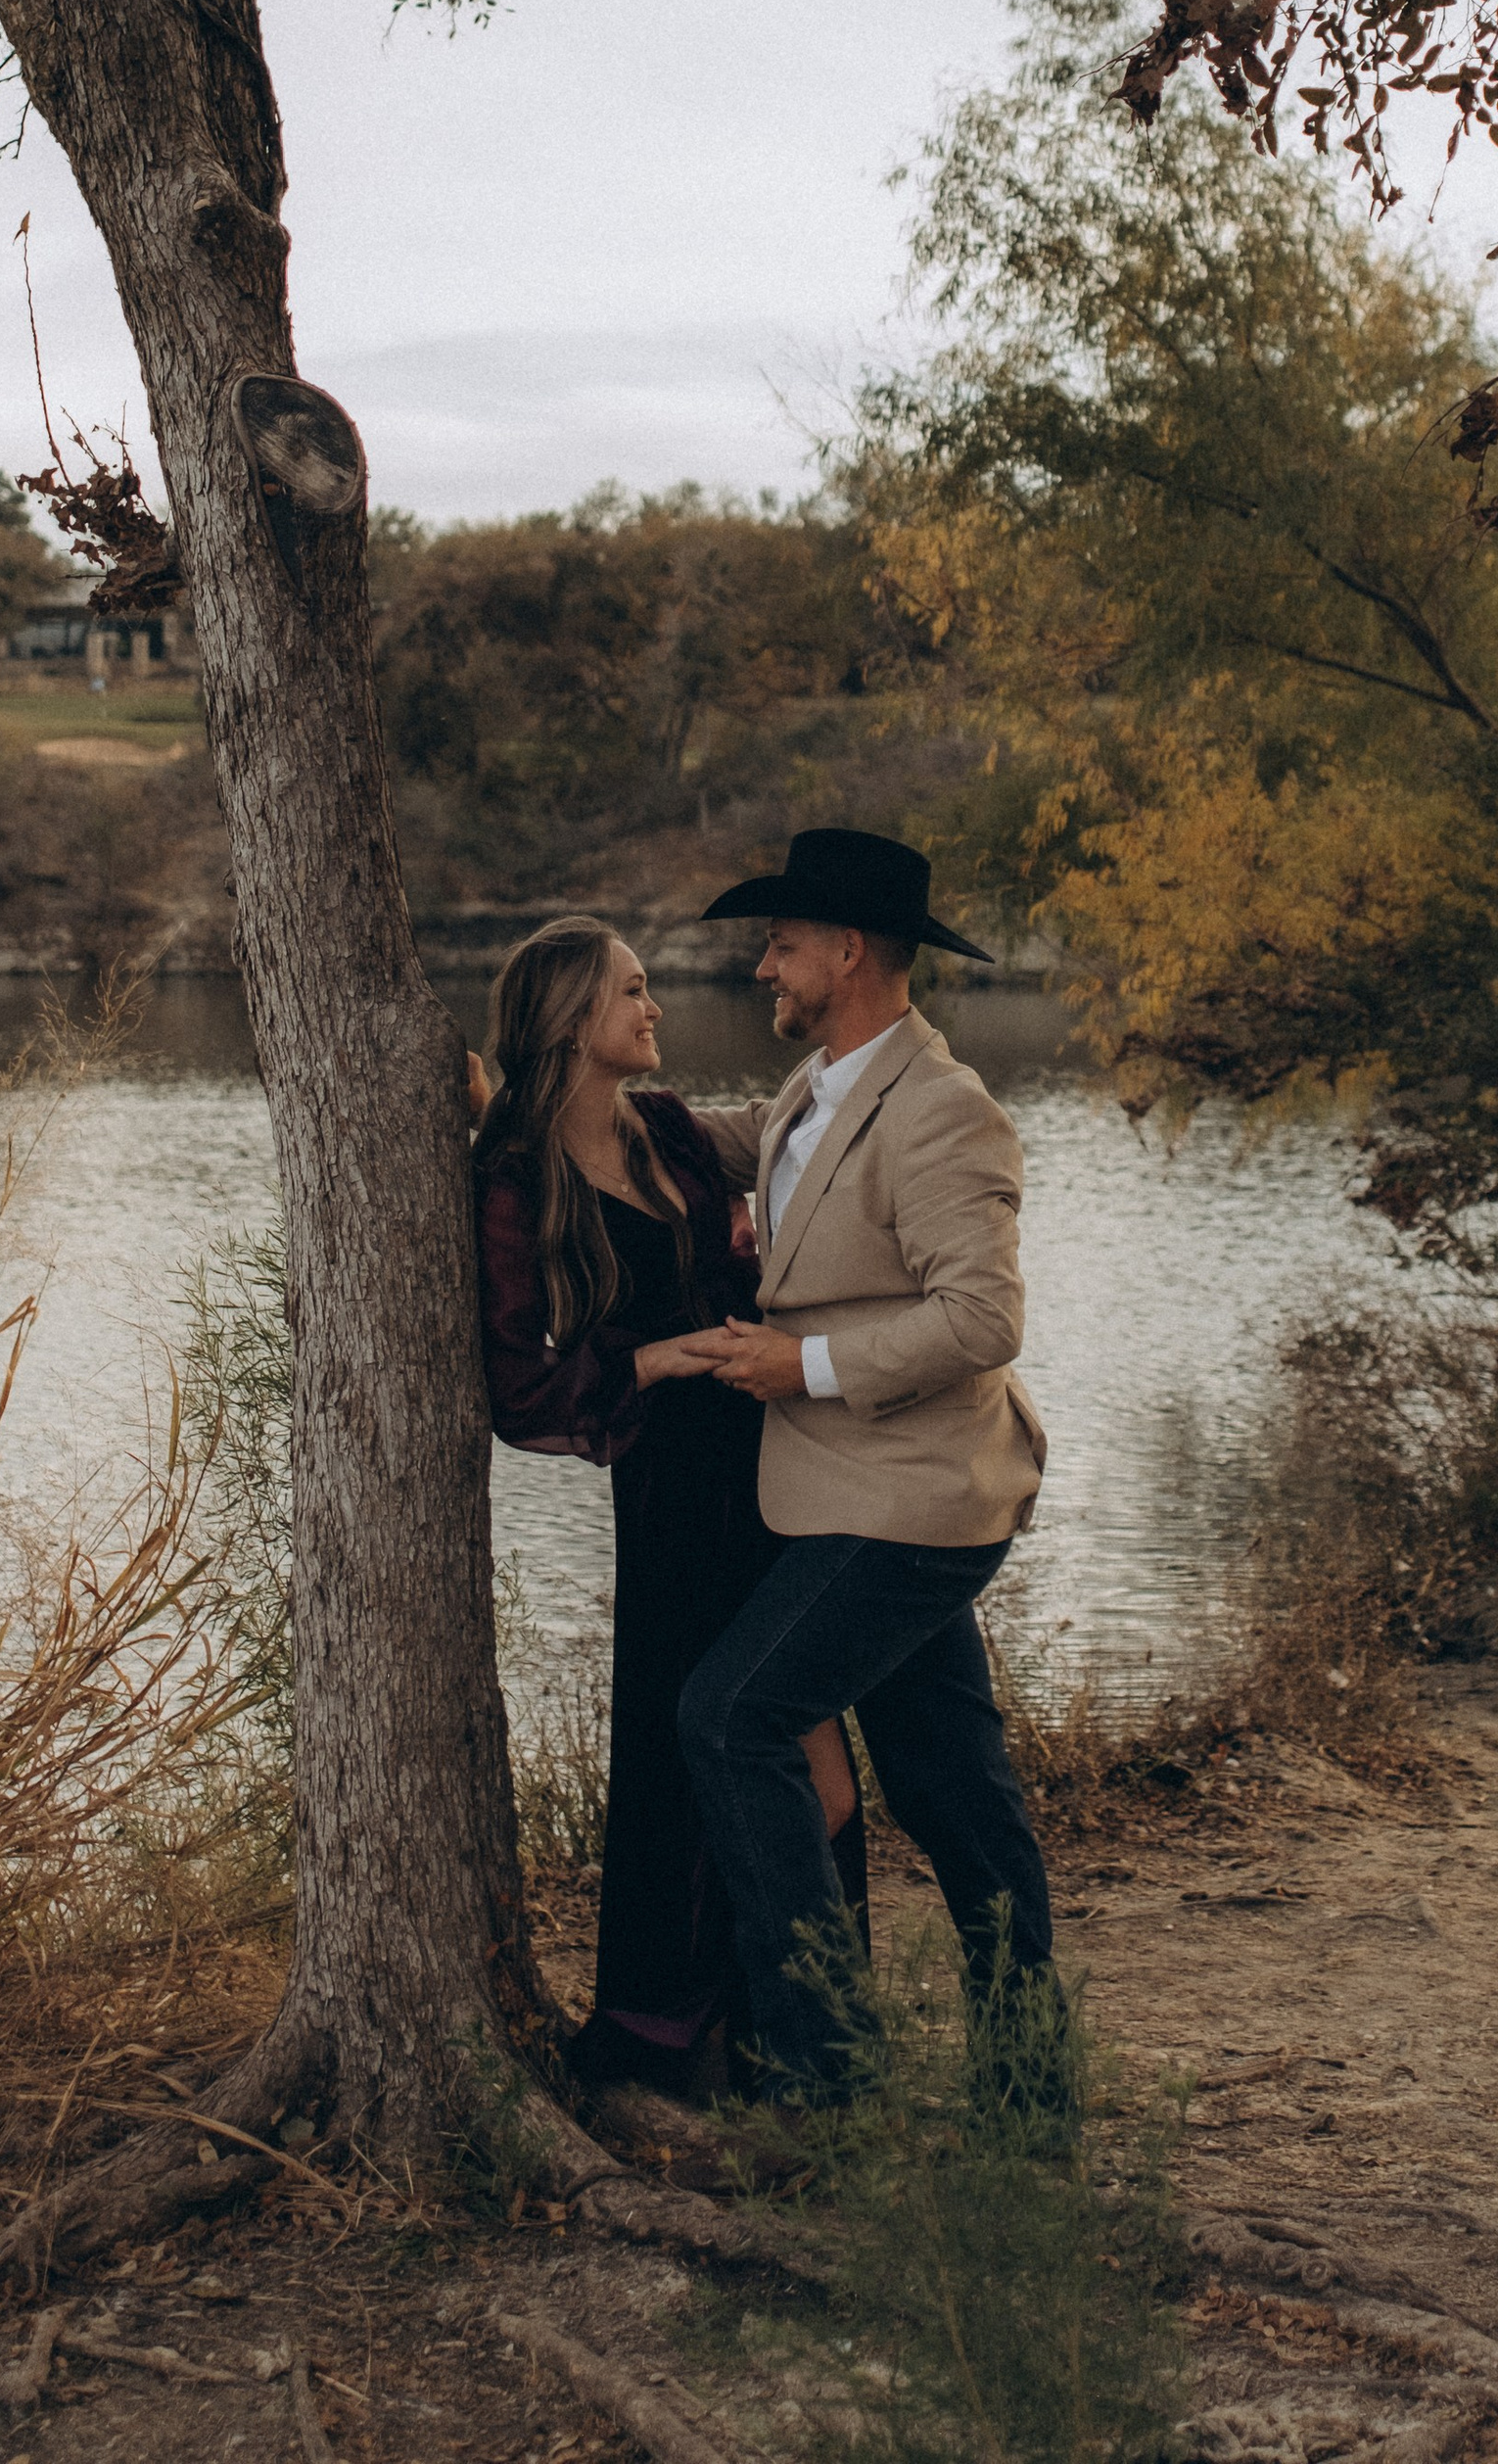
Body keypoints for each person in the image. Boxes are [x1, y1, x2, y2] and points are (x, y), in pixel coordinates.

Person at [671, 827, 1057, 2105]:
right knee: (956, 1798)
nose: (762, 968)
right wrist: (547, 1113)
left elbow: (983, 1320)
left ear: (845, 952)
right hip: (858, 1490)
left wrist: (807, 1366)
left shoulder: (944, 1111)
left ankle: (823, 2078)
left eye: (780, 945)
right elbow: (740, 1143)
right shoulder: (823, 1084)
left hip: (915, 1498)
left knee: (732, 1720)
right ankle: (1029, 2090)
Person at [471, 914, 867, 2096]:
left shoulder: (674, 1133)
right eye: (632, 991)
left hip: (779, 1464)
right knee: (695, 1757)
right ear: (570, 1023)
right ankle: (684, 2038)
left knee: (814, 1765)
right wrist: (657, 1357)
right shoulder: (515, 1181)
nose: (654, 1009)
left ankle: (805, 2041)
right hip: (675, 1494)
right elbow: (520, 1388)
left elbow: (799, 1162)